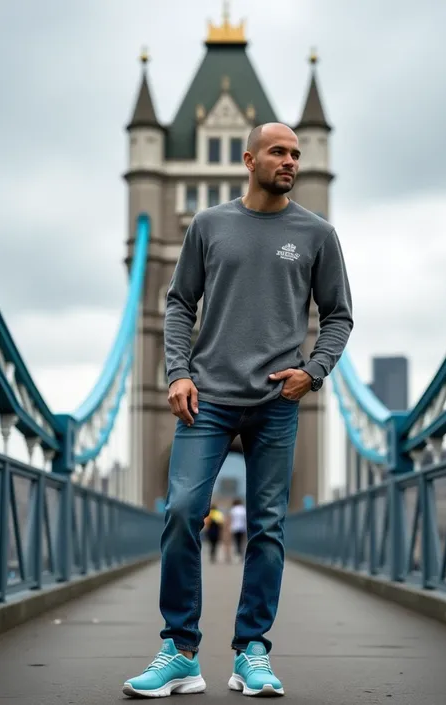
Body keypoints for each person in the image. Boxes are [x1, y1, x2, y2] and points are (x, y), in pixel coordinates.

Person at [123, 122, 353, 699]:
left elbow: (339, 316)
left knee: (269, 526)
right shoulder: (209, 225)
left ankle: (252, 651)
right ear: (248, 159)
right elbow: (178, 303)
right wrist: (177, 372)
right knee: (181, 512)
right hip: (209, 400)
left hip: (277, 401)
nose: (291, 161)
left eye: (299, 154)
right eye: (279, 151)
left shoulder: (318, 233)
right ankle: (179, 651)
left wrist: (314, 371)